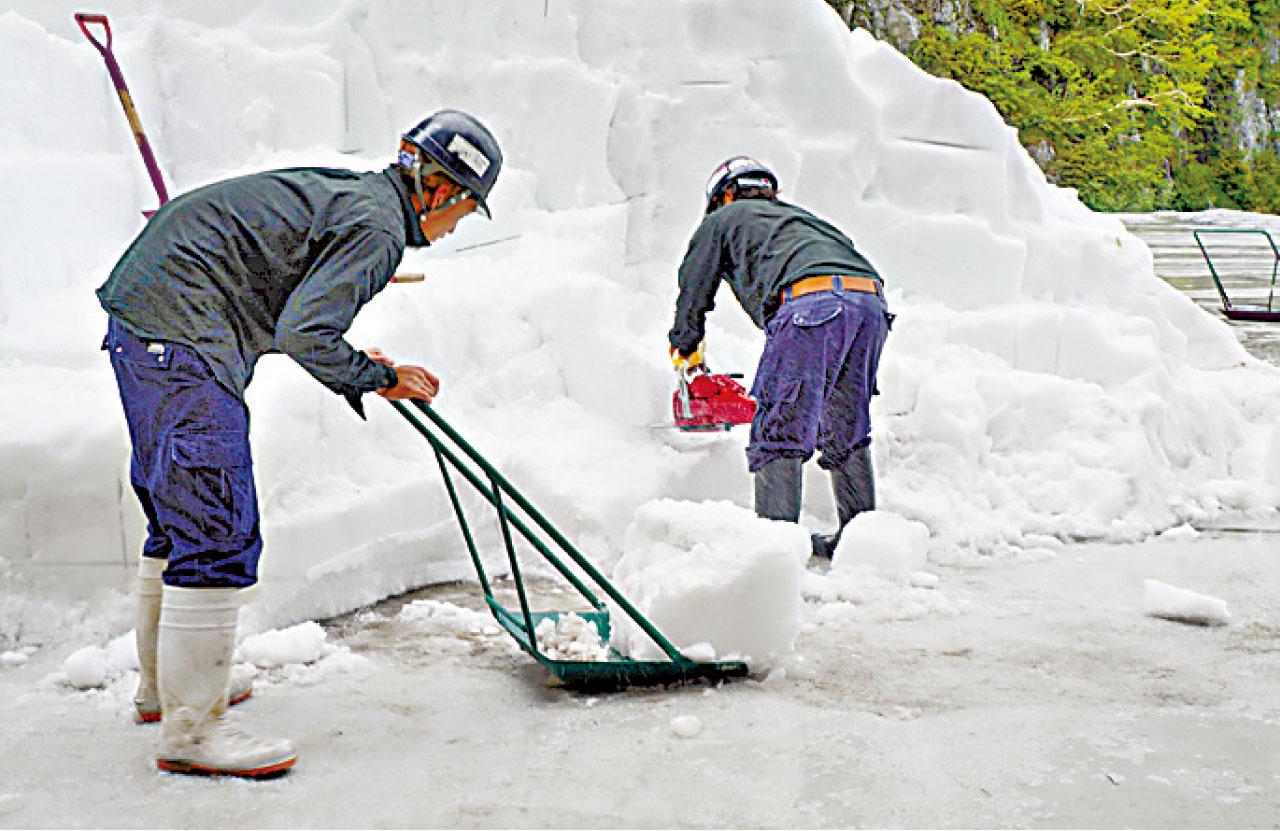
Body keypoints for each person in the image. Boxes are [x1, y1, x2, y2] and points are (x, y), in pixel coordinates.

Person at [98, 109, 502, 778]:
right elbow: (306, 334)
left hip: (149, 328)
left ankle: (161, 692)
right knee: (215, 525)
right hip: (181, 337)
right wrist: (376, 375)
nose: (457, 225)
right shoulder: (377, 228)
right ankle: (192, 733)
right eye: (463, 207)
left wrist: (349, 357)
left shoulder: (356, 196)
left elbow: (299, 311)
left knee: (178, 521)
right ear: (437, 189)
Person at [668, 156, 892, 558]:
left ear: (727, 194)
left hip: (811, 306)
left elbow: (694, 285)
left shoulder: (724, 218)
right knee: (845, 427)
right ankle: (862, 548)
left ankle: (773, 555)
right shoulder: (804, 221)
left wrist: (685, 347)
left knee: (779, 429)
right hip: (869, 305)